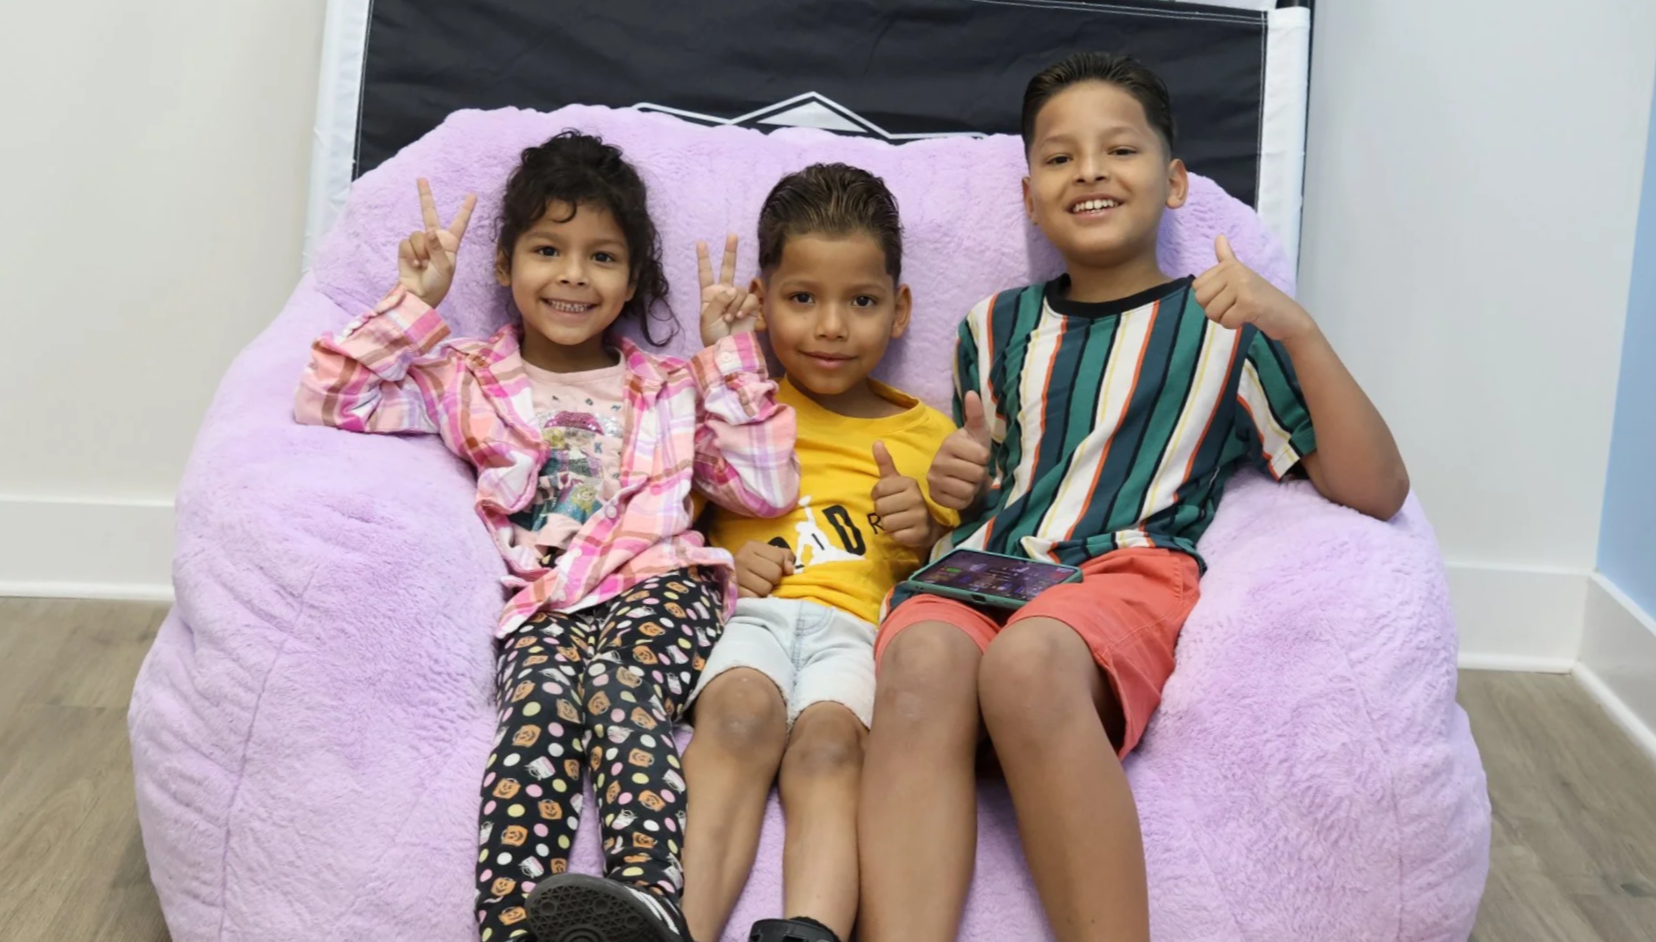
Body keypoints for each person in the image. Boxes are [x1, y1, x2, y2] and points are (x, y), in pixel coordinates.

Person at [855, 53, 1411, 942]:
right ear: (1032, 194)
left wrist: (1297, 326)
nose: (1090, 172)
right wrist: (953, 485)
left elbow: (1376, 489)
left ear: (1176, 181)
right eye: (1060, 157)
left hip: (1120, 574)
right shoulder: (993, 326)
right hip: (983, 568)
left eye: (1120, 149)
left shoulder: (1228, 323)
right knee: (921, 662)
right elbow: (988, 480)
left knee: (1031, 664)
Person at [294, 131, 800, 942]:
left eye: (602, 256)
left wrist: (729, 358)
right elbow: (332, 395)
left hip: (659, 585)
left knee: (619, 680)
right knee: (538, 706)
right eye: (546, 249)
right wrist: (415, 301)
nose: (572, 274)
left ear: (632, 279)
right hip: (543, 605)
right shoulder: (465, 376)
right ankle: (515, 927)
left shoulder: (672, 387)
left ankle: (645, 903)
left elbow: (768, 485)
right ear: (504, 265)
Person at [678, 164, 958, 942]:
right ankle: (682, 925)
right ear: (763, 303)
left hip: (860, 637)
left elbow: (962, 585)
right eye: (803, 298)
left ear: (899, 310)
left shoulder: (928, 438)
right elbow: (665, 532)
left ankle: (811, 930)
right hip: (752, 618)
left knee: (832, 748)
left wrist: (926, 536)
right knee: (735, 719)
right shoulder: (735, 408)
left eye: (861, 301)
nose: (831, 326)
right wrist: (723, 567)